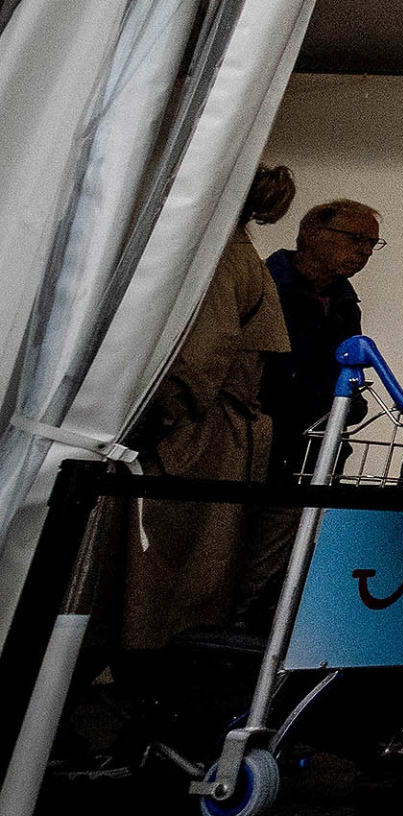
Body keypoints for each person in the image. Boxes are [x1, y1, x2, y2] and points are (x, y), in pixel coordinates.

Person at [116, 164, 295, 655]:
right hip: (217, 433)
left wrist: (153, 429)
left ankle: (141, 692)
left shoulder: (218, 258)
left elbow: (197, 359)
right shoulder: (240, 255)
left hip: (199, 436)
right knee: (192, 576)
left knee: (163, 581)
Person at [260, 197, 380, 476]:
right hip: (260, 448)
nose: (366, 252)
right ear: (312, 234)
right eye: (357, 238)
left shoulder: (345, 302)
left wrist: (353, 406)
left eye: (373, 243)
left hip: (316, 454)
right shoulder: (266, 288)